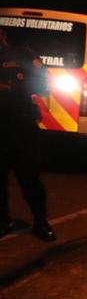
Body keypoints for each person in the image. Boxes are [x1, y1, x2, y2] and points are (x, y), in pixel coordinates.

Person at [0, 27, 56, 241]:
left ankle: (41, 222)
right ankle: (3, 222)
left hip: (20, 123)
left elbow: (42, 84)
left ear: (2, 35)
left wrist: (9, 88)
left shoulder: (23, 55)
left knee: (29, 176)